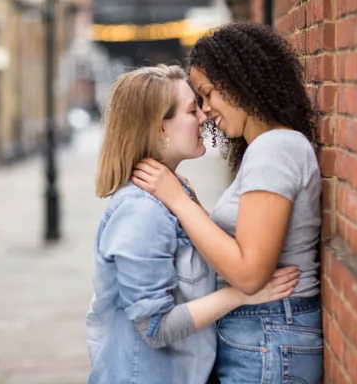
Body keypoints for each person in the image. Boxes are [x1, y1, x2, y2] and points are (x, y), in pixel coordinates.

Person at [132, 22, 323, 384]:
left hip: (270, 334)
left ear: (239, 82)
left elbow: (250, 274)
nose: (205, 111)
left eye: (207, 94)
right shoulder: (266, 149)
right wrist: (192, 205)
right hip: (265, 335)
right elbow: (241, 243)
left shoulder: (274, 148)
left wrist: (180, 203)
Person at [86, 64, 300, 384]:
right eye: (191, 110)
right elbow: (155, 328)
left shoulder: (175, 194)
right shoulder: (141, 213)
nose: (203, 116)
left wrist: (189, 205)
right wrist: (242, 294)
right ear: (161, 129)